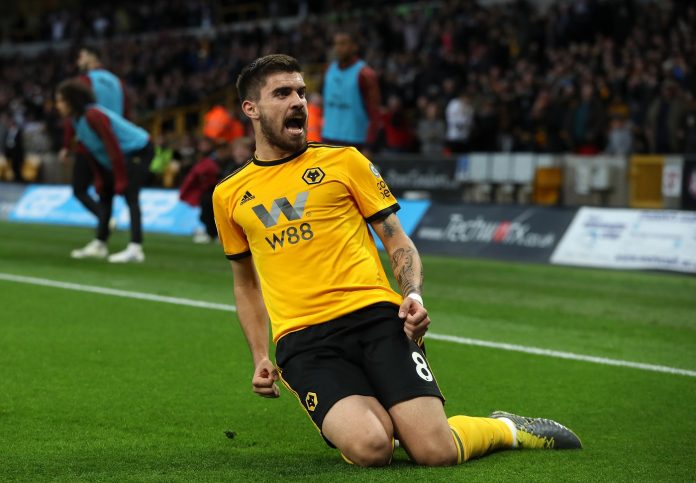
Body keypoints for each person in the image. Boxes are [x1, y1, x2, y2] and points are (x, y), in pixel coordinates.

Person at [212, 54, 582, 468]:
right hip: (305, 341)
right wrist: (260, 356)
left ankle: (506, 428)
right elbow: (245, 283)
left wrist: (414, 295)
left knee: (435, 452)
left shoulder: (344, 161)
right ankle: (379, 424)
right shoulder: (229, 193)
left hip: (375, 318)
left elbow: (396, 240)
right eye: (282, 93)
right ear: (251, 109)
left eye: (301, 91)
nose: (298, 101)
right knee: (373, 448)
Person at [56, 79, 152, 263]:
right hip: (120, 157)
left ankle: (135, 248)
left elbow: (112, 145)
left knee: (130, 195)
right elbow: (92, 150)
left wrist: (121, 178)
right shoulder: (76, 120)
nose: (57, 105)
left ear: (72, 100)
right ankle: (100, 243)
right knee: (105, 194)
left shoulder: (93, 115)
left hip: (139, 149)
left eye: (61, 100)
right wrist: (100, 178)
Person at [59, 45, 130, 223]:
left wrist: (67, 145)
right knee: (107, 190)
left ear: (92, 57)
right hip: (114, 143)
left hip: (90, 142)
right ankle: (103, 231)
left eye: (81, 56)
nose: (78, 61)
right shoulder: (118, 82)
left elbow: (73, 112)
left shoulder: (84, 80)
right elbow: (126, 114)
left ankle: (104, 221)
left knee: (79, 189)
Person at [321, 31, 381, 153]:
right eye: (336, 44)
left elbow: (374, 111)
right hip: (328, 138)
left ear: (354, 46)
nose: (338, 48)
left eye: (343, 44)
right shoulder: (328, 70)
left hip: (355, 141)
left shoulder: (365, 74)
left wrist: (369, 145)